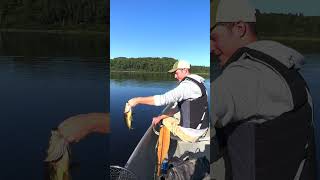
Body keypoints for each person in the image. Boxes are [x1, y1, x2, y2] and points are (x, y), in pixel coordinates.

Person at [211, 0, 316, 179]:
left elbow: (203, 109)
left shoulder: (244, 75)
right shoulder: (285, 67)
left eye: (213, 38)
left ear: (239, 29)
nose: (210, 48)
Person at [128, 60, 209, 143]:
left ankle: (163, 150)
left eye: (176, 73)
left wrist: (137, 100)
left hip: (191, 134)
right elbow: (177, 108)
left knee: (164, 122)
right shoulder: (198, 83)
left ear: (185, 70)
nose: (175, 76)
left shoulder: (187, 86)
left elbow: (163, 99)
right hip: (202, 128)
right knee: (165, 117)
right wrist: (161, 116)